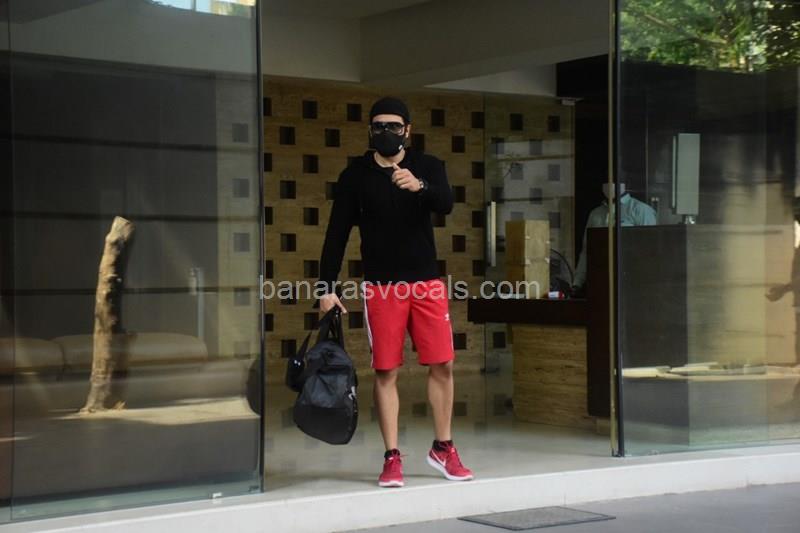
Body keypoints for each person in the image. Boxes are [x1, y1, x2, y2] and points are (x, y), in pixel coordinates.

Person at [316, 96, 473, 488]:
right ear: (371, 130)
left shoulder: (427, 166)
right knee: (386, 370)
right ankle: (391, 457)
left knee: (443, 364)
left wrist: (419, 186)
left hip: (426, 284)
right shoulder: (355, 176)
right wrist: (326, 288)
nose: (386, 132)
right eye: (378, 126)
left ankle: (443, 447)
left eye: (393, 126)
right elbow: (336, 235)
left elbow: (446, 203)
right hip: (382, 288)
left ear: (408, 130)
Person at [573, 183, 657, 290]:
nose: (609, 185)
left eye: (613, 181)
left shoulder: (640, 210)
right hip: (601, 279)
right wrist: (577, 283)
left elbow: (650, 251)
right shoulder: (595, 214)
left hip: (632, 281)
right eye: (606, 182)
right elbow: (587, 251)